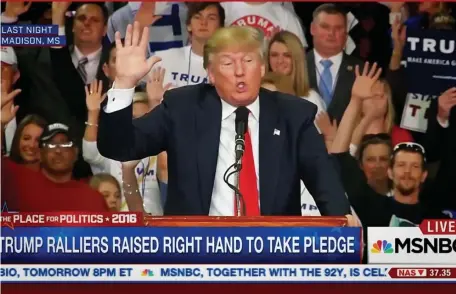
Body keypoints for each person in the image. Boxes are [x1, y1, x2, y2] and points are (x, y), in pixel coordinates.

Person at [97, 22, 355, 224]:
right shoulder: (182, 108)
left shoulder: (292, 115)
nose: (240, 71)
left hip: (273, 255)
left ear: (263, 68)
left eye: (249, 61)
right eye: (229, 63)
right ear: (210, 73)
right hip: (197, 254)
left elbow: (325, 185)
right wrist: (124, 84)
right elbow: (119, 147)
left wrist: (344, 222)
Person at [307, 4, 364, 123]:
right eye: (325, 27)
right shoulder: (296, 65)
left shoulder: (362, 70)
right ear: (312, 28)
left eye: (338, 28)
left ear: (346, 32)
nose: (331, 33)